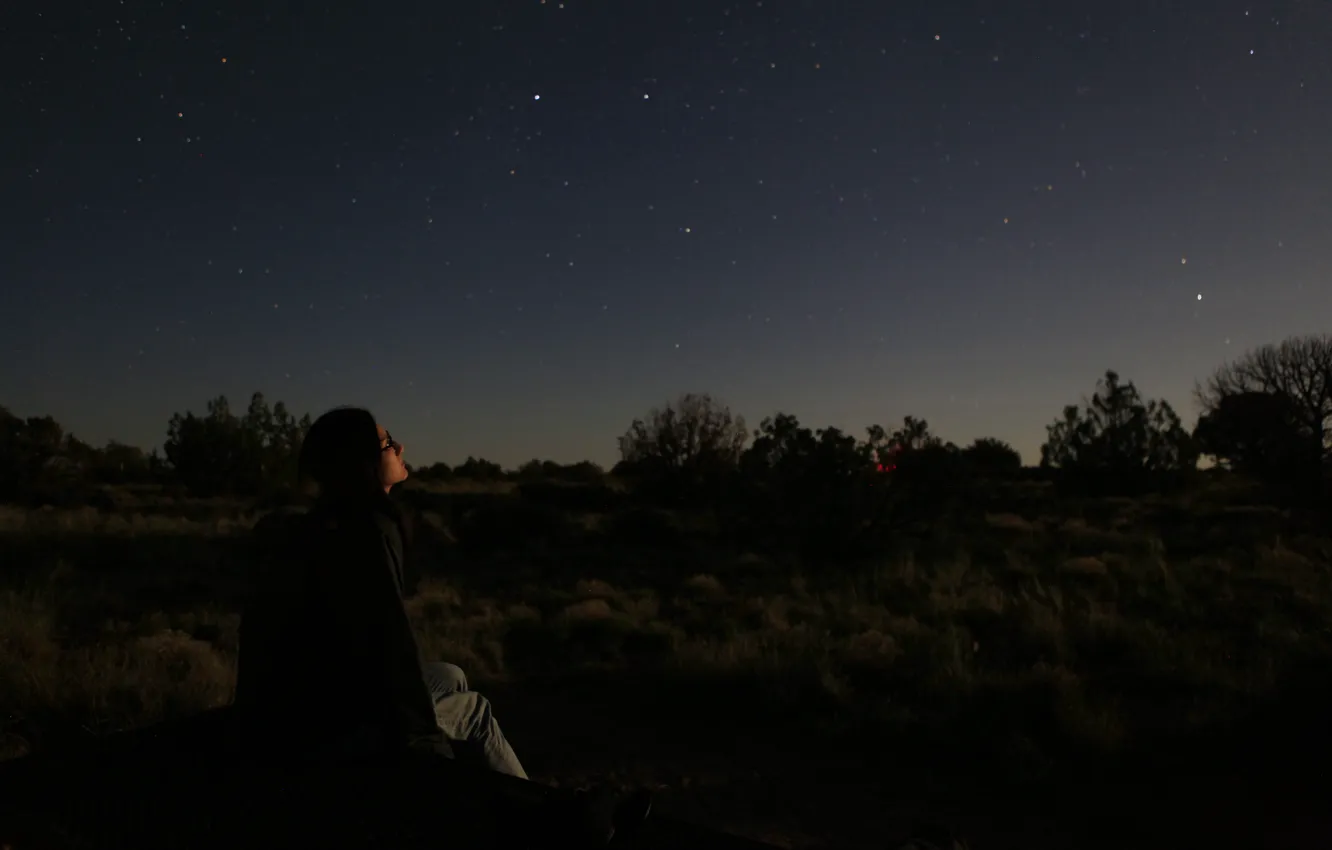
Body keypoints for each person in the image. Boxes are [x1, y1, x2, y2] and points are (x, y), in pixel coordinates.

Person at [233, 406, 527, 779]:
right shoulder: (366, 527)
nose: (400, 447)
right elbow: (392, 644)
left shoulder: (326, 521)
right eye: (388, 444)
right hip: (323, 727)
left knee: (450, 675)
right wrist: (423, 743)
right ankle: (532, 815)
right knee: (475, 710)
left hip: (308, 703)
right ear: (363, 463)